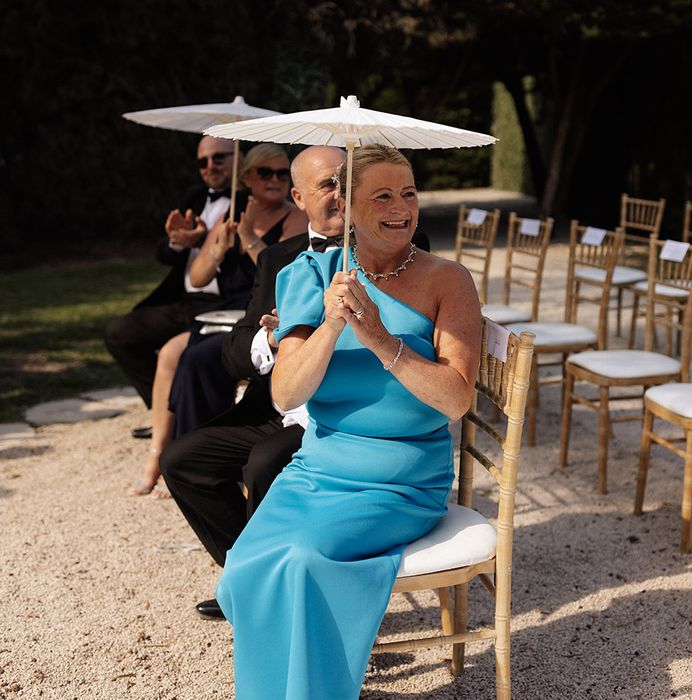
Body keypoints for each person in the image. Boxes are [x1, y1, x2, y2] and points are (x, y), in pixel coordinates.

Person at [215, 144, 481, 699]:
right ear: (349, 207)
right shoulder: (307, 274)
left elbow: (456, 400)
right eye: (382, 195)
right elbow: (286, 389)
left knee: (305, 559)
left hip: (402, 477)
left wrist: (382, 341)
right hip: (320, 466)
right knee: (245, 565)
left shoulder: (447, 280)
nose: (401, 207)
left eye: (408, 193)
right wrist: (332, 325)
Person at [129, 144, 308, 495]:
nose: (275, 180)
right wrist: (215, 247)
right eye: (265, 173)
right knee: (169, 354)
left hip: (260, 314)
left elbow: (284, 276)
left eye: (282, 174)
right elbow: (196, 278)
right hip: (222, 313)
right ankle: (162, 454)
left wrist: (250, 240)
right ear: (246, 179)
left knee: (196, 359)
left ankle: (198, 454)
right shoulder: (230, 216)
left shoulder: (295, 218)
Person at [104, 135, 246, 437]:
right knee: (121, 334)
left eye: (219, 157)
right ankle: (161, 414)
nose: (211, 166)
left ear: (238, 159)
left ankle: (179, 420)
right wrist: (178, 242)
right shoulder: (193, 197)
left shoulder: (249, 202)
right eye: (203, 161)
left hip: (224, 302)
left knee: (181, 353)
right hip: (183, 299)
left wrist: (219, 244)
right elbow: (162, 253)